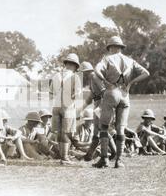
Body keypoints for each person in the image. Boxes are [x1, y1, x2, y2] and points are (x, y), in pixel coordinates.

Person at [94, 36, 150, 168]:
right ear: (121, 47)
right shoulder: (130, 60)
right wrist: (130, 82)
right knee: (121, 128)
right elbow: (146, 73)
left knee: (104, 126)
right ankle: (119, 161)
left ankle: (104, 159)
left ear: (111, 47)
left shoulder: (107, 58)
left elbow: (97, 70)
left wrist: (105, 81)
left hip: (111, 92)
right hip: (125, 94)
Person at [49, 53, 82, 165]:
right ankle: (65, 157)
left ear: (66, 63)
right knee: (66, 132)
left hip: (56, 106)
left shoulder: (56, 75)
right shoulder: (75, 77)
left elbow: (51, 93)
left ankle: (62, 156)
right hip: (68, 107)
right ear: (75, 65)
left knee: (59, 132)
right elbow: (77, 95)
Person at [78, 61, 106, 164]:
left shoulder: (94, 76)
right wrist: (80, 109)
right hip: (97, 105)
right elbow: (90, 98)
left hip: (101, 105)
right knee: (98, 131)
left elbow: (104, 92)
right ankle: (89, 155)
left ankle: (92, 155)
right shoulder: (91, 79)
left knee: (102, 130)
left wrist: (101, 107)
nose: (83, 75)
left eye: (83, 72)